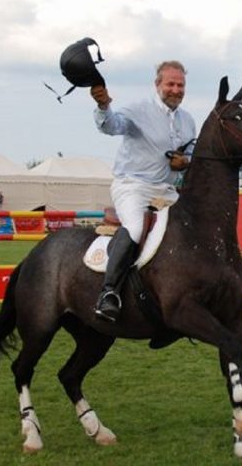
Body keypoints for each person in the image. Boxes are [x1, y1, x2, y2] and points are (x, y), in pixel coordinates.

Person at [90, 60, 197, 322]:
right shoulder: (139, 109)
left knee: (191, 228)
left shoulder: (188, 120)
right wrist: (104, 106)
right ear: (157, 84)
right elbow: (110, 126)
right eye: (170, 84)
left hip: (167, 190)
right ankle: (109, 293)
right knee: (137, 228)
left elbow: (191, 156)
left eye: (180, 85)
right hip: (133, 185)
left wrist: (185, 163)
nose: (176, 89)